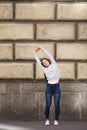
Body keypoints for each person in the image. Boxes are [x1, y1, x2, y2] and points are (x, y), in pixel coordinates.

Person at [34, 47, 61, 126]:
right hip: (49, 87)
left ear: (48, 61)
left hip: (57, 87)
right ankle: (47, 120)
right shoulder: (44, 69)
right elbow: (38, 61)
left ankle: (56, 120)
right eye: (43, 62)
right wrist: (35, 53)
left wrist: (42, 48)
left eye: (45, 61)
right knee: (48, 104)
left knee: (57, 104)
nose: (44, 62)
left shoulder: (54, 65)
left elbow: (50, 56)